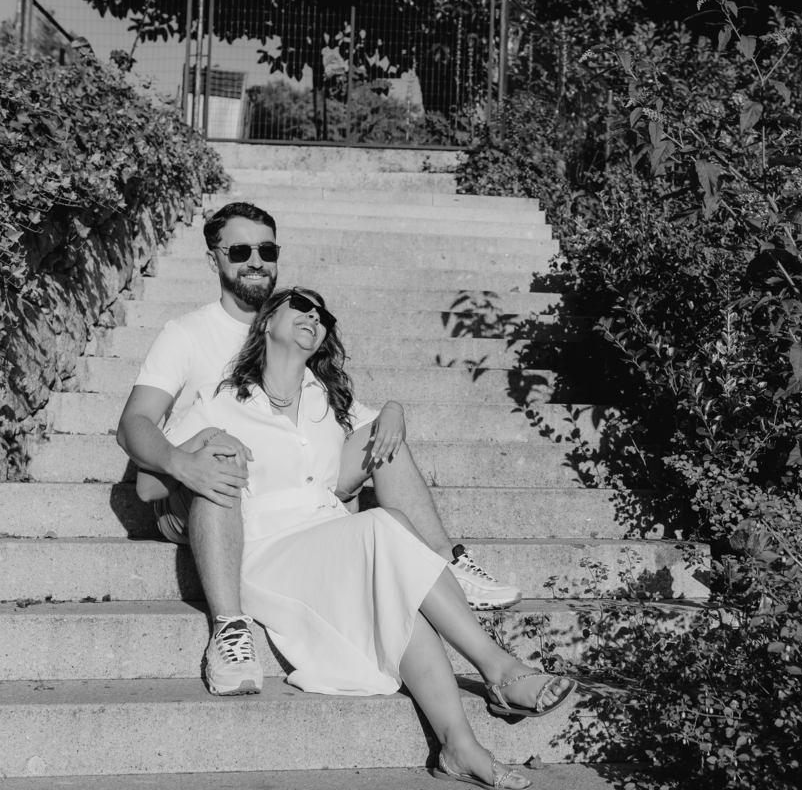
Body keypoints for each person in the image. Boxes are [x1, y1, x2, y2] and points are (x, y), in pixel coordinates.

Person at [151, 287, 573, 789]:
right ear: (266, 322)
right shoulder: (220, 398)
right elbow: (149, 486)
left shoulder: (325, 398)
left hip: (330, 535)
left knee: (400, 592)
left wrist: (392, 408)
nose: (314, 316)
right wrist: (203, 441)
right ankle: (498, 668)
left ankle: (459, 745)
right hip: (266, 548)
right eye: (300, 306)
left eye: (323, 315)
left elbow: (376, 436)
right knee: (385, 525)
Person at [115, 202, 521, 697]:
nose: (255, 261)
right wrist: (182, 461)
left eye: (267, 250)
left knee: (382, 436)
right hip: (197, 492)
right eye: (240, 251)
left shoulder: (293, 327)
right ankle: (229, 629)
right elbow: (134, 424)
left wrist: (391, 410)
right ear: (213, 259)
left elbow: (341, 418)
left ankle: (442, 560)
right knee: (224, 459)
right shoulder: (187, 334)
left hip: (287, 488)